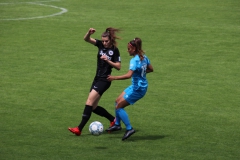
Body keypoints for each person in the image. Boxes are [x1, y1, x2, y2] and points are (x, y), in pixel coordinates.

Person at [68, 27, 121, 136]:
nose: (104, 43)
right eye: (103, 41)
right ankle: (113, 120)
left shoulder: (115, 50)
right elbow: (86, 39)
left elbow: (118, 66)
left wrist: (108, 60)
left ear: (111, 40)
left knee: (89, 102)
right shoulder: (100, 44)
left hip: (105, 80)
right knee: (93, 107)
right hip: (96, 78)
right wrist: (89, 33)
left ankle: (79, 129)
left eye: (106, 41)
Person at [106, 37, 154, 141]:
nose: (127, 50)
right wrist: (141, 73)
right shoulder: (144, 57)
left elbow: (128, 75)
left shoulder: (134, 60)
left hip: (138, 89)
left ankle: (129, 128)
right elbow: (151, 69)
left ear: (134, 48)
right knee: (117, 101)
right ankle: (117, 124)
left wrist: (114, 77)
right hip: (137, 86)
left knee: (119, 107)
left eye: (129, 49)